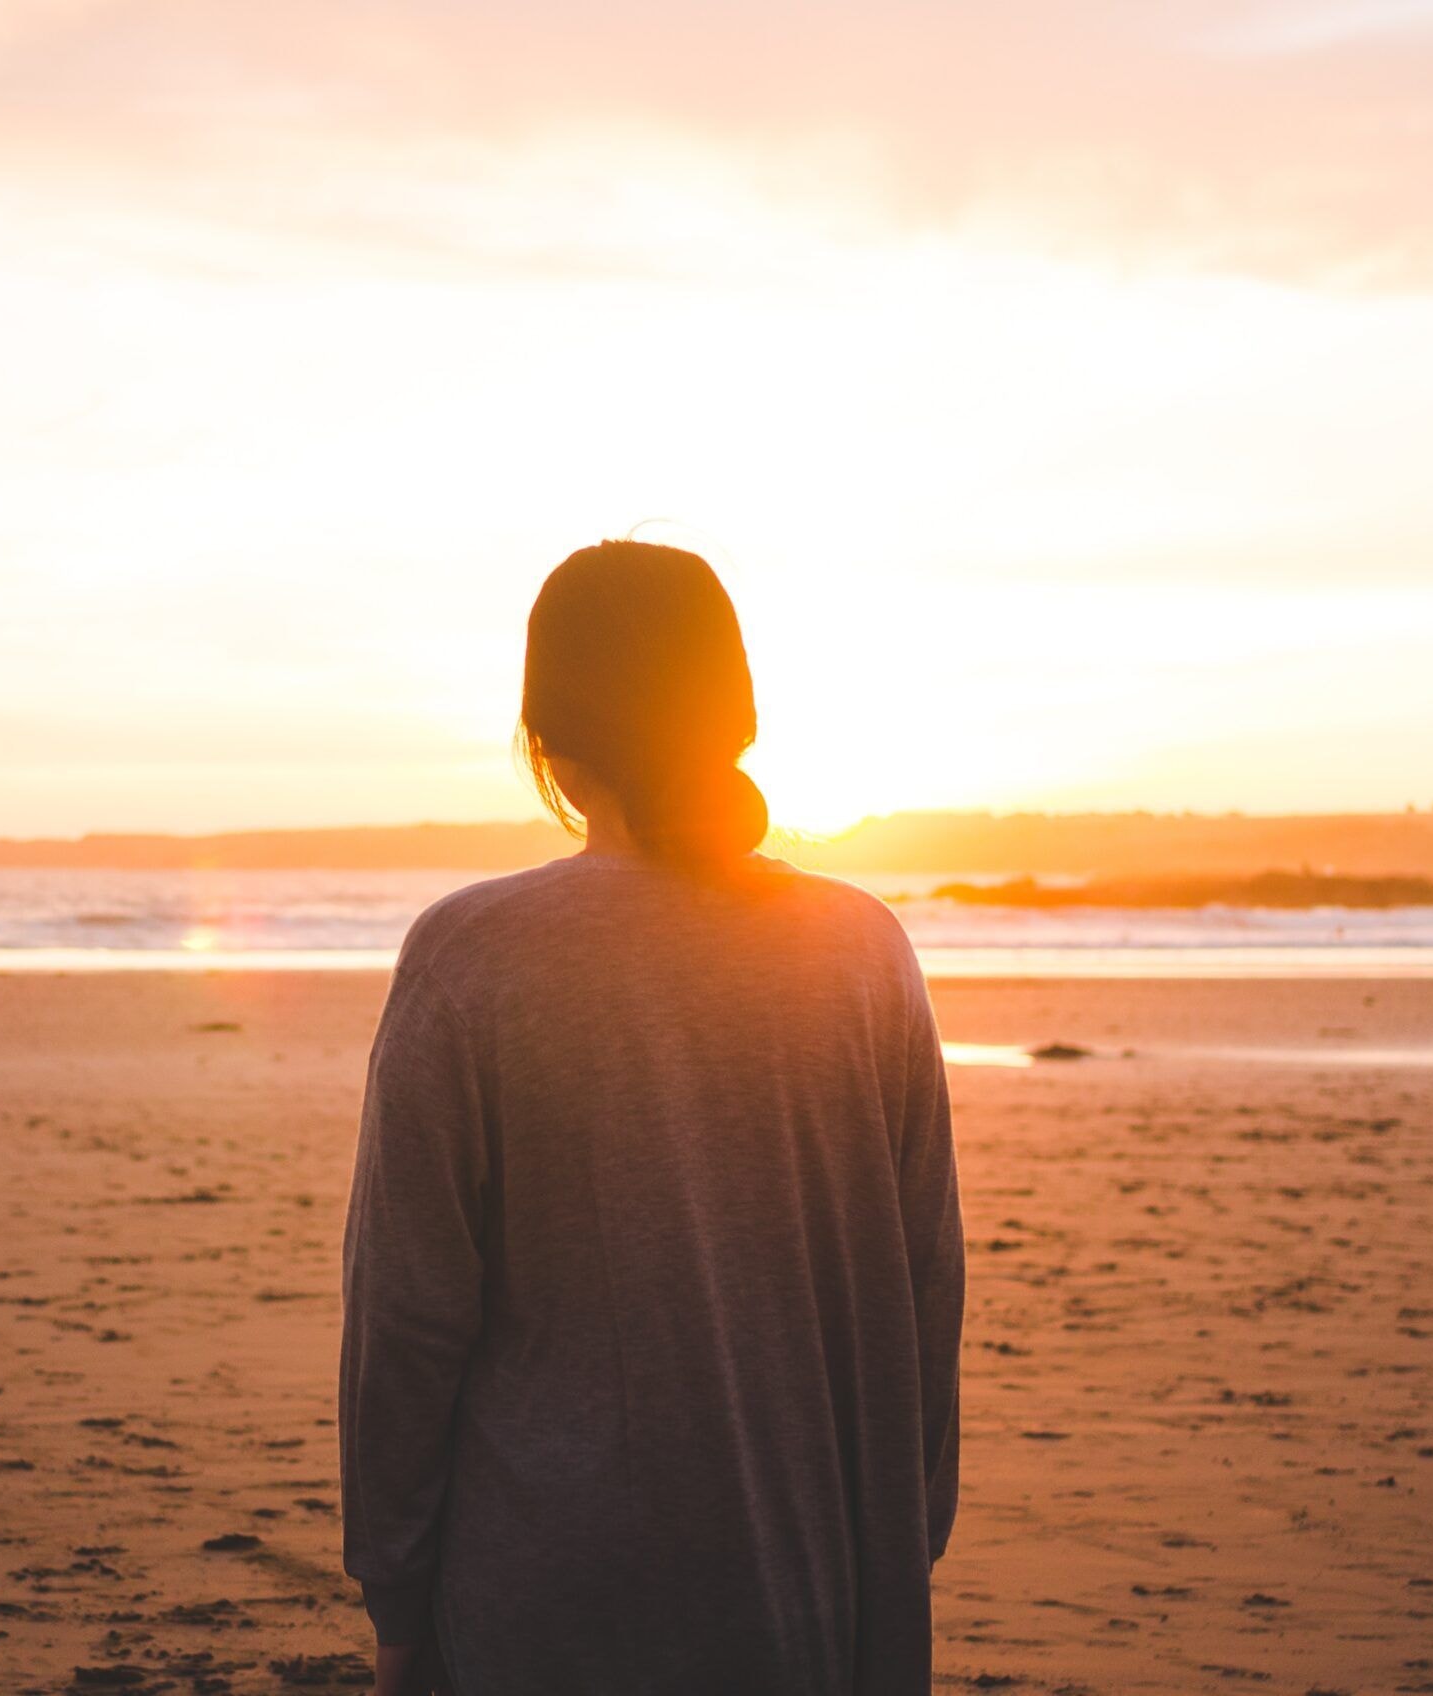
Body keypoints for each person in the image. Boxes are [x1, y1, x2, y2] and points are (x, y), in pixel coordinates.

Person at [340, 541, 965, 1695]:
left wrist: (397, 1596)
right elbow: (929, 1286)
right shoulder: (861, 950)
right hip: (819, 1597)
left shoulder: (471, 957)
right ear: (733, 718)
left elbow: (407, 1318)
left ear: (550, 743)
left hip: (545, 1608)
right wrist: (896, 1547)